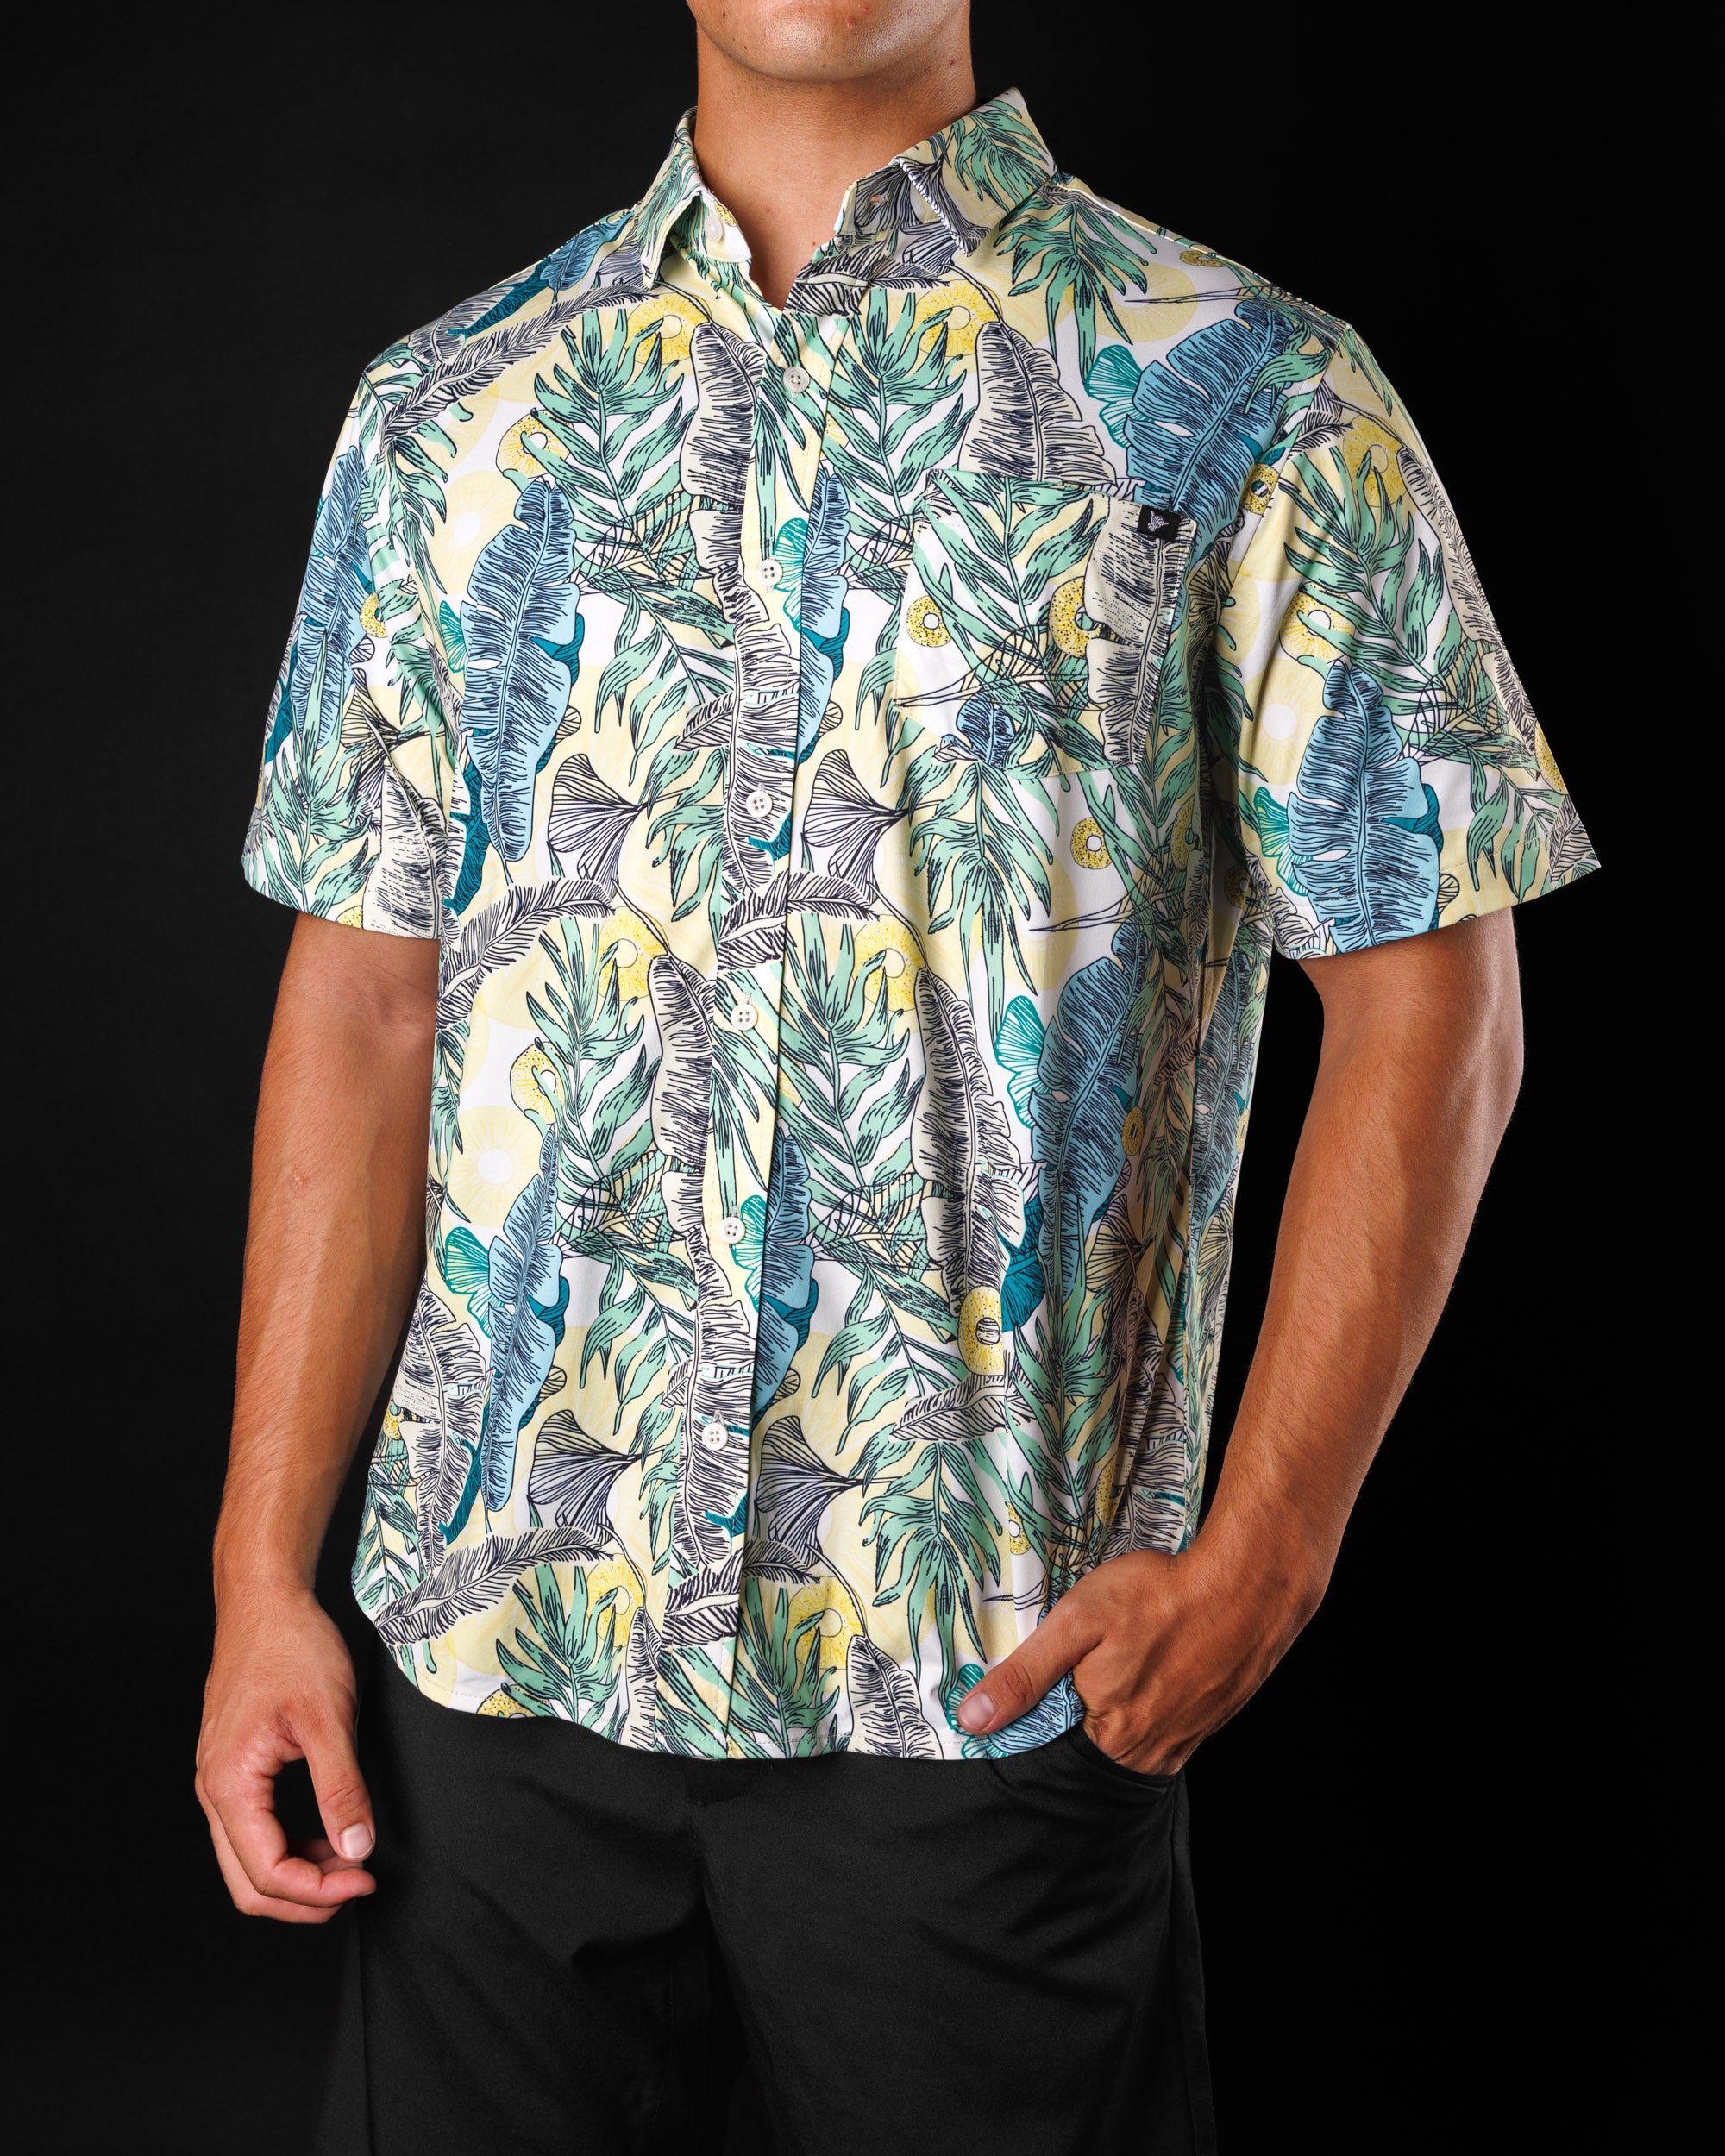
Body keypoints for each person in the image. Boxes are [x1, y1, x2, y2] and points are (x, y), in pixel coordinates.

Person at [198, 3, 1596, 2149]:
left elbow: (1435, 1006)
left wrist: (1268, 1554)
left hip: (986, 1689)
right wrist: (259, 1579)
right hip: (486, 1681)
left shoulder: (1255, 396)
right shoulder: (447, 408)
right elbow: (368, 1006)